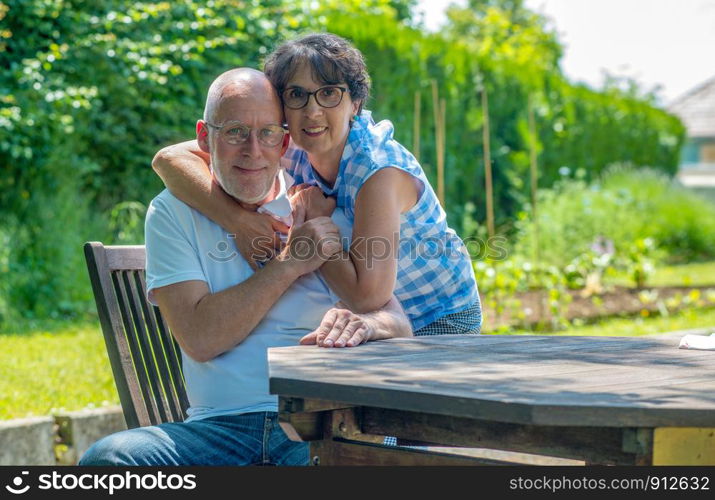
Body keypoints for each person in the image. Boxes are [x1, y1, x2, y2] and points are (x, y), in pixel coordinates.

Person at [79, 68, 412, 466]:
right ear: (205, 137)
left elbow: (398, 321)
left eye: (268, 133)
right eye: (235, 131)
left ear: (285, 142)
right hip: (216, 432)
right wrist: (288, 264)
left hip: (314, 426)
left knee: (371, 458)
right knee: (109, 460)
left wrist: (369, 325)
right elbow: (201, 338)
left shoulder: (319, 205)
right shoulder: (172, 211)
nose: (253, 150)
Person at [152, 33, 482, 337]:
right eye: (297, 95)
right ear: (281, 109)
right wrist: (237, 221)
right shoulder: (288, 143)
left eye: (328, 94)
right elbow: (168, 159)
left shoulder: (377, 172)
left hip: (440, 315)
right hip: (380, 320)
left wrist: (311, 226)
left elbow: (367, 297)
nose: (313, 111)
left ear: (354, 104)